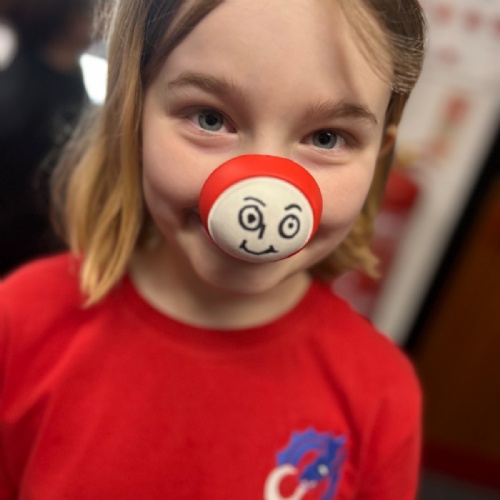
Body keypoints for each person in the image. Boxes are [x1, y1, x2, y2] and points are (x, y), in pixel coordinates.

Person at [0, 0, 426, 498]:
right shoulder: (21, 322)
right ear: (133, 115)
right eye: (209, 118)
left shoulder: (380, 394)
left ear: (379, 155)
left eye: (328, 138)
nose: (261, 195)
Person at [0, 0, 94, 276]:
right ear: (68, 22)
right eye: (87, 14)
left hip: (55, 238)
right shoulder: (18, 93)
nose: (95, 24)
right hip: (18, 244)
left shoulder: (71, 76)